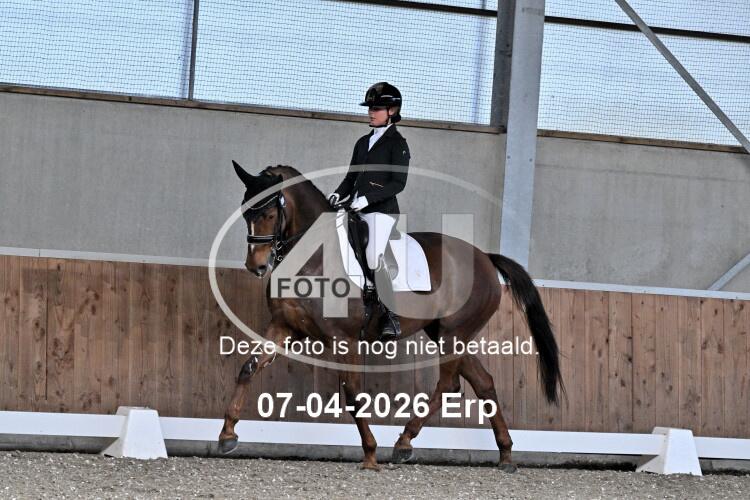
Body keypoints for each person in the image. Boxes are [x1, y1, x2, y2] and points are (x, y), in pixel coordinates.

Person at [327, 82, 410, 341]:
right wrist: (337, 194)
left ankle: (390, 315)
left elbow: (398, 184)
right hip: (354, 208)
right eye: (370, 109)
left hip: (381, 212)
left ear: (392, 111)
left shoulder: (398, 144)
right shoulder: (362, 142)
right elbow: (350, 177)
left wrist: (366, 199)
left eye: (376, 109)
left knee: (374, 255)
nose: (371, 113)